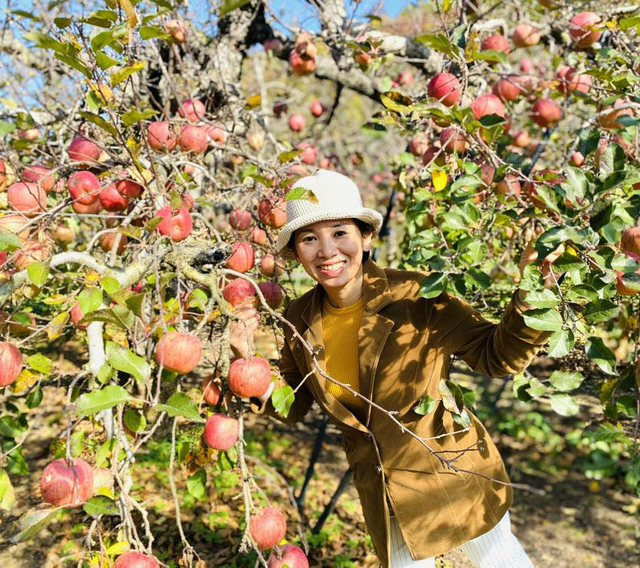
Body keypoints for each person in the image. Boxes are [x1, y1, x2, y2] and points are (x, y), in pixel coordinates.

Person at [229, 169, 551, 568]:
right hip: (383, 492)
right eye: (310, 238)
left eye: (340, 232)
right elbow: (293, 404)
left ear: (366, 237)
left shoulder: (417, 296)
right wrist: (251, 370)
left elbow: (497, 357)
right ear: (296, 253)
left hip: (451, 473)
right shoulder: (299, 316)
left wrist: (532, 294)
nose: (327, 250)